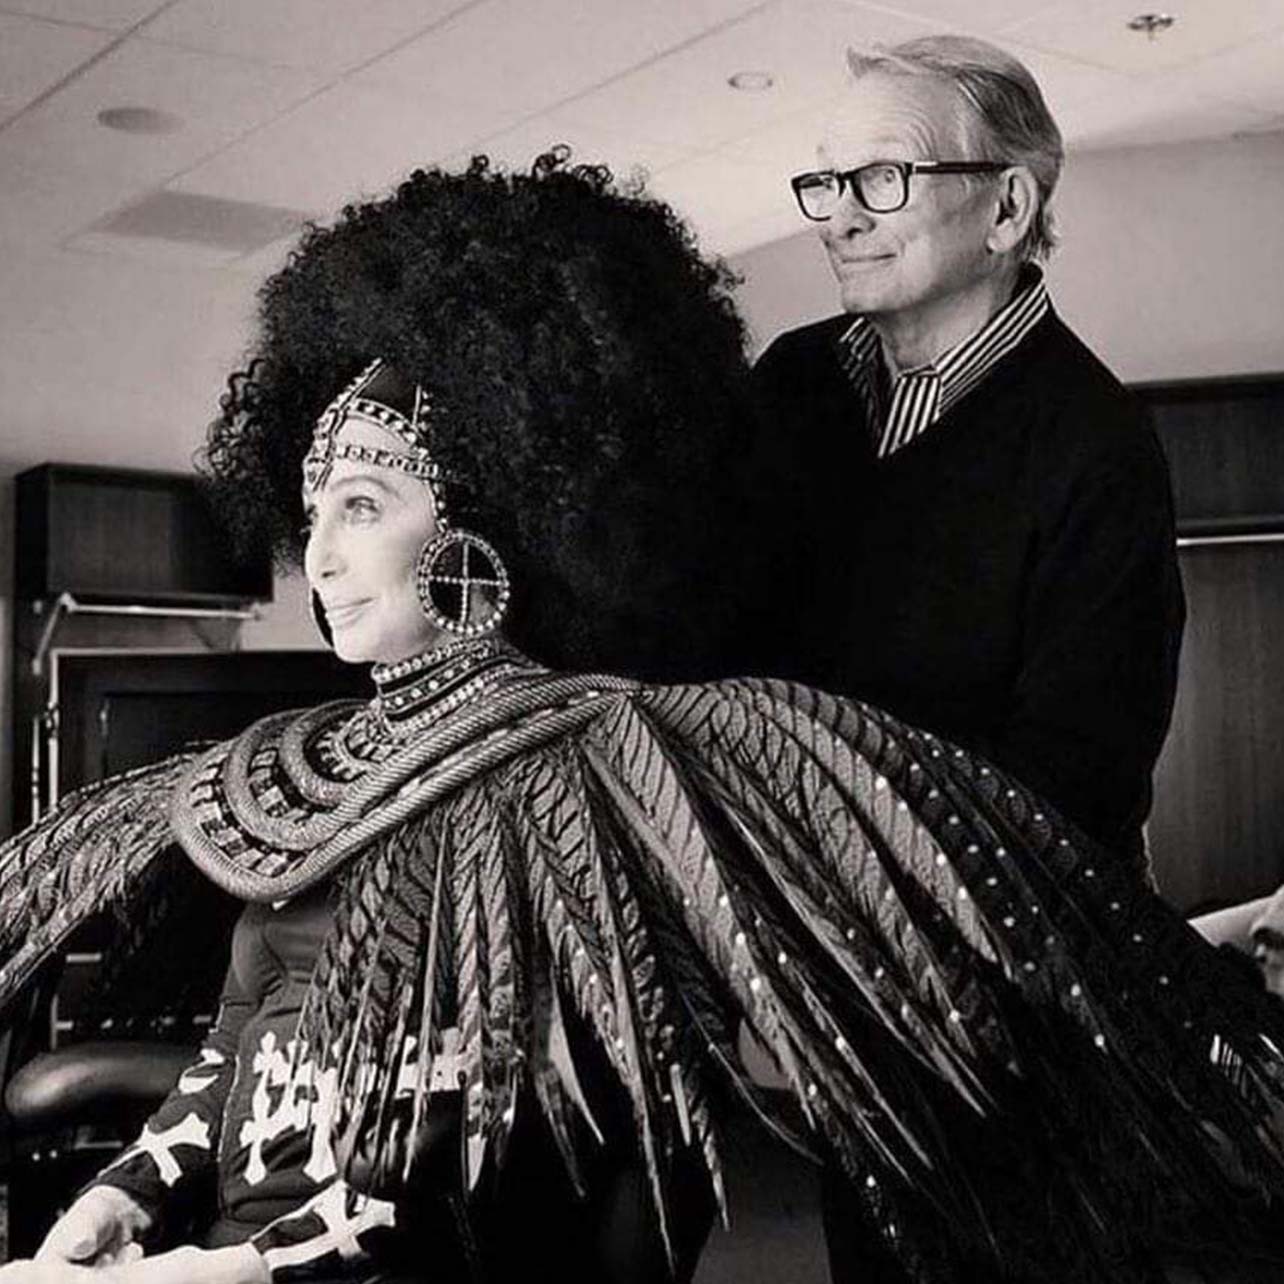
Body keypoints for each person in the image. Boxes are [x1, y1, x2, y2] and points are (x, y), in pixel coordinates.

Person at [0, 155, 1280, 1284]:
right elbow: (234, 1050)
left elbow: (512, 1142)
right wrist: (124, 1194)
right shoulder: (304, 781)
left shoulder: (599, 786)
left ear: (486, 518)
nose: (317, 558)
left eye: (364, 507)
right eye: (315, 509)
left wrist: (244, 1274)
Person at [748, 35, 1185, 870]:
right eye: (829, 182)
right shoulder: (790, 381)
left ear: (1007, 210)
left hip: (990, 947)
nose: (840, 218)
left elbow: (1075, 786)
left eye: (884, 178)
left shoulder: (1098, 447)